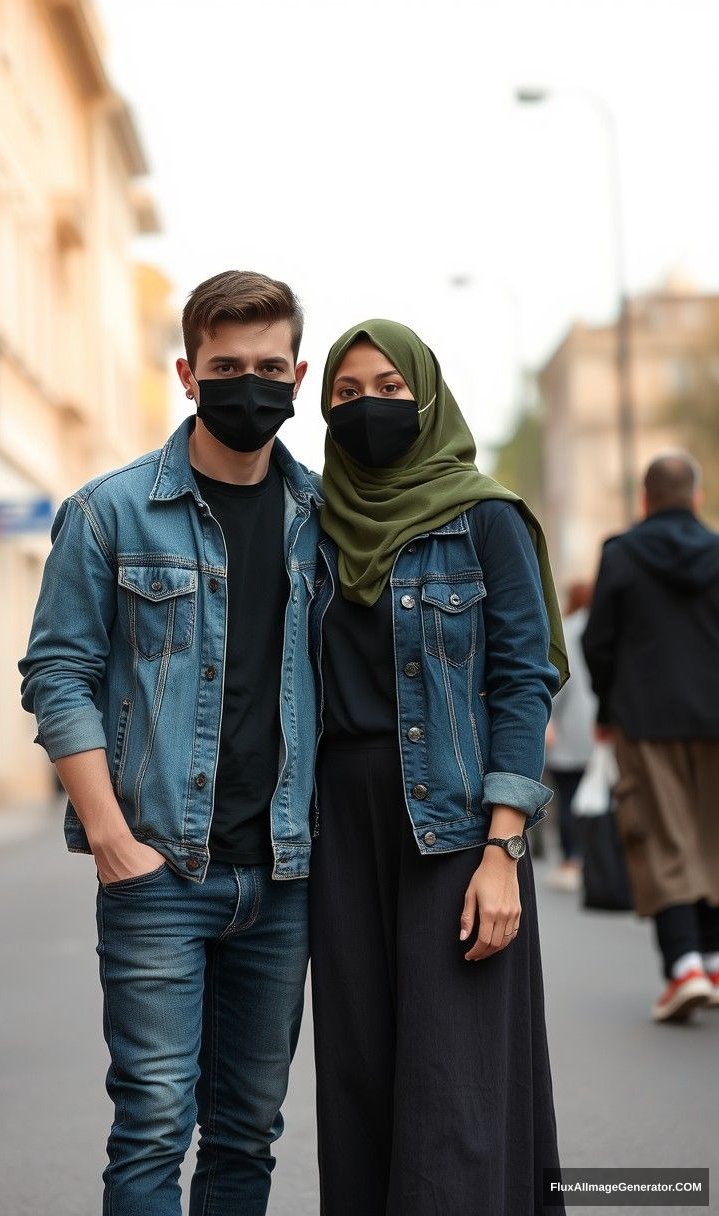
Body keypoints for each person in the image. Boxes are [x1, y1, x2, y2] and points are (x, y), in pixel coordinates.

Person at [19, 271, 321, 1215]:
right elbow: (56, 673)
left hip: (284, 876)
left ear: (298, 375)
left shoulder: (327, 520)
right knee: (152, 1125)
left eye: (270, 367)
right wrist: (112, 839)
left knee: (248, 1133)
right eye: (227, 367)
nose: (250, 385)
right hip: (160, 871)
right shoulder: (107, 511)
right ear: (187, 374)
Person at [307, 320, 569, 1216]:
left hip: (453, 824)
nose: (368, 406)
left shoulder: (486, 516)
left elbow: (523, 681)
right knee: (360, 1078)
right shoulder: (313, 524)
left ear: (426, 397)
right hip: (337, 828)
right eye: (346, 392)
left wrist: (505, 849)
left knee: (455, 1082)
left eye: (388, 386)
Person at [582, 451, 719, 1023]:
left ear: (643, 499)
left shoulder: (622, 554)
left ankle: (684, 964)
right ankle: (712, 960)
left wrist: (609, 707)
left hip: (647, 716)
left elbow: (599, 640)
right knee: (712, 837)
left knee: (664, 838)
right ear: (697, 498)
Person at [544, 581, 597, 892]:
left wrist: (547, 720)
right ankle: (598, 859)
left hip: (569, 729)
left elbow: (560, 678)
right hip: (602, 730)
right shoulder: (613, 626)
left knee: (569, 798)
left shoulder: (568, 630)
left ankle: (572, 861)